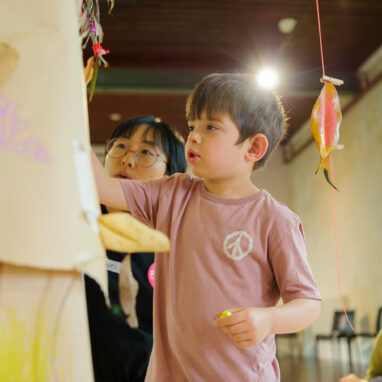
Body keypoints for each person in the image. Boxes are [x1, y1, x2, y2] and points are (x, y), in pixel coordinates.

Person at [90, 73, 321, 381]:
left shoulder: (275, 220)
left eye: (210, 127)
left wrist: (268, 320)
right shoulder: (171, 194)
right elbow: (102, 187)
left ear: (253, 147)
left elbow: (307, 303)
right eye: (192, 126)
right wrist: (71, 100)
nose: (194, 136)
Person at [85, 116, 187, 382]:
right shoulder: (77, 228)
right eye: (120, 146)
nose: (128, 160)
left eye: (146, 153)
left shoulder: (175, 247)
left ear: (170, 177)